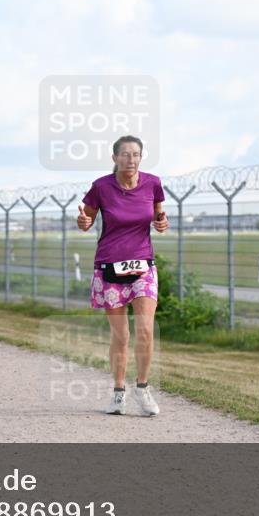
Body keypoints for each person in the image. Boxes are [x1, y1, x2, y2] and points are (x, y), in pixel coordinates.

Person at [77, 135, 169, 416]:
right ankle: (118, 392)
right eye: (126, 154)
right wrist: (82, 222)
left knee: (145, 329)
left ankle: (143, 388)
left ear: (141, 157)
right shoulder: (101, 187)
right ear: (114, 157)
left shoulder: (153, 183)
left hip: (142, 266)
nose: (131, 159)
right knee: (122, 336)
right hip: (109, 267)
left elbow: (158, 217)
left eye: (136, 154)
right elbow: (87, 220)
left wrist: (162, 223)